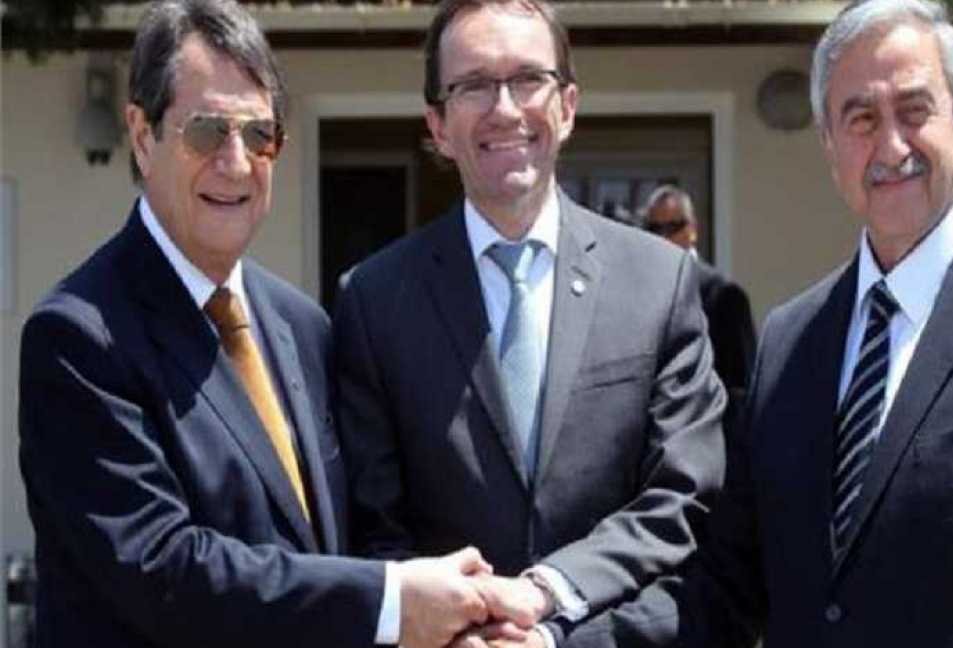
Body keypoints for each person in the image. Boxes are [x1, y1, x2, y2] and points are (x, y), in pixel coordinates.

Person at [562, 1, 953, 646]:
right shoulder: (791, 339)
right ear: (829, 146)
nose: (891, 146)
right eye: (862, 118)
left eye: (915, 110)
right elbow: (726, 587)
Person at [18, 2, 502, 647]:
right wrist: (393, 602)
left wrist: (457, 612)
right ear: (141, 134)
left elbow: (342, 536)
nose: (237, 161)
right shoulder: (80, 338)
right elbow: (163, 570)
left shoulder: (301, 325)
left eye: (259, 134)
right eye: (207, 132)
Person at [333, 0, 726, 645]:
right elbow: (373, 524)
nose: (505, 108)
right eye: (473, 86)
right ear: (437, 125)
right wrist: (454, 630)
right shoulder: (374, 300)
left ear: (567, 107)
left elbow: (683, 495)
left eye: (527, 79)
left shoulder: (659, 283)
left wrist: (546, 598)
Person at [641, 186, 756, 410]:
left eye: (673, 227)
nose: (663, 237)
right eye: (654, 229)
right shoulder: (640, 294)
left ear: (692, 229)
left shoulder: (724, 296)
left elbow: (740, 390)